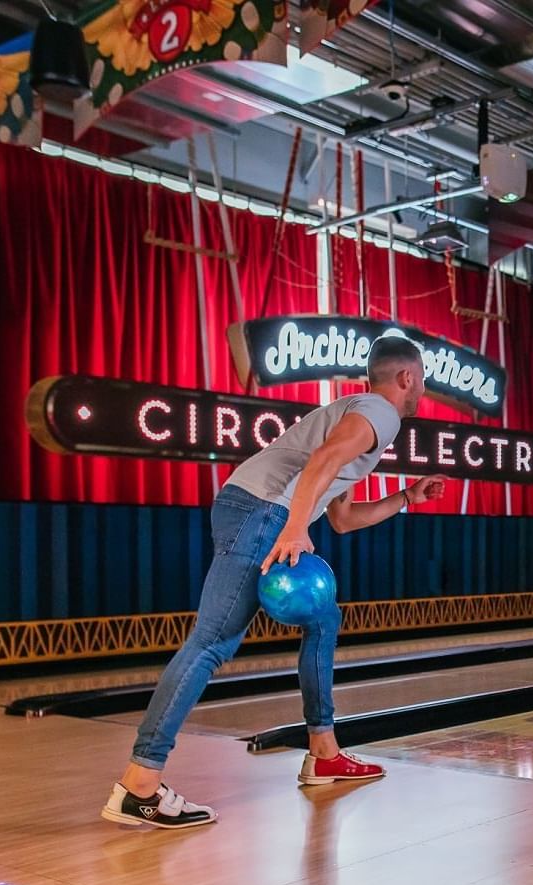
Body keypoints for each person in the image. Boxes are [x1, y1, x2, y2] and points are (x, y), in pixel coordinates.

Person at [102, 334, 446, 829]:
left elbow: (344, 517)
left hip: (256, 506)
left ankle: (324, 752)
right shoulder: (380, 411)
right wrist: (293, 525)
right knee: (212, 642)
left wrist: (408, 497)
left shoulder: (359, 412)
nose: (422, 391)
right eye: (422, 381)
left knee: (325, 618)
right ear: (407, 377)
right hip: (263, 511)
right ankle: (139, 785)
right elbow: (323, 459)